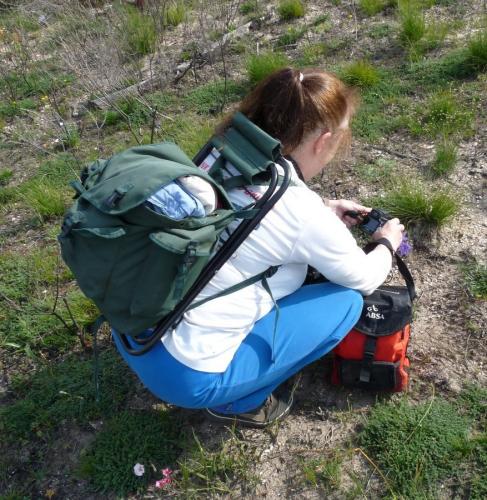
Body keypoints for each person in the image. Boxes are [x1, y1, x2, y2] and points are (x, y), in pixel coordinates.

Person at [113, 67, 405, 427]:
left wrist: (325, 211)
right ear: (323, 140)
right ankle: (242, 402)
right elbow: (363, 278)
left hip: (131, 328)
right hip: (184, 377)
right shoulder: (301, 212)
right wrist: (387, 244)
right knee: (345, 302)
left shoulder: (220, 156)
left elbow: (245, 218)